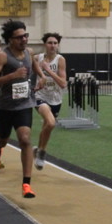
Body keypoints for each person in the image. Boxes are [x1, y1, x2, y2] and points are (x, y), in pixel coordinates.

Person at [0, 19, 46, 198]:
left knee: (25, 139)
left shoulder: (29, 52)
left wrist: (41, 76)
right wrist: (12, 76)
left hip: (24, 105)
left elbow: (33, 63)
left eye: (25, 35)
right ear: (10, 40)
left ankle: (26, 184)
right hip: (5, 107)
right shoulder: (3, 56)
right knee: (2, 140)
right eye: (19, 37)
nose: (24, 39)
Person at [32, 32, 68, 170]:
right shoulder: (38, 58)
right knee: (51, 123)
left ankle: (38, 150)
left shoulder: (60, 60)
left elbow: (63, 84)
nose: (52, 45)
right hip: (40, 96)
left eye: (55, 43)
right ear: (45, 44)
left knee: (47, 127)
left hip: (56, 99)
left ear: (58, 45)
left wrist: (48, 70)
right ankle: (42, 153)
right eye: (50, 43)